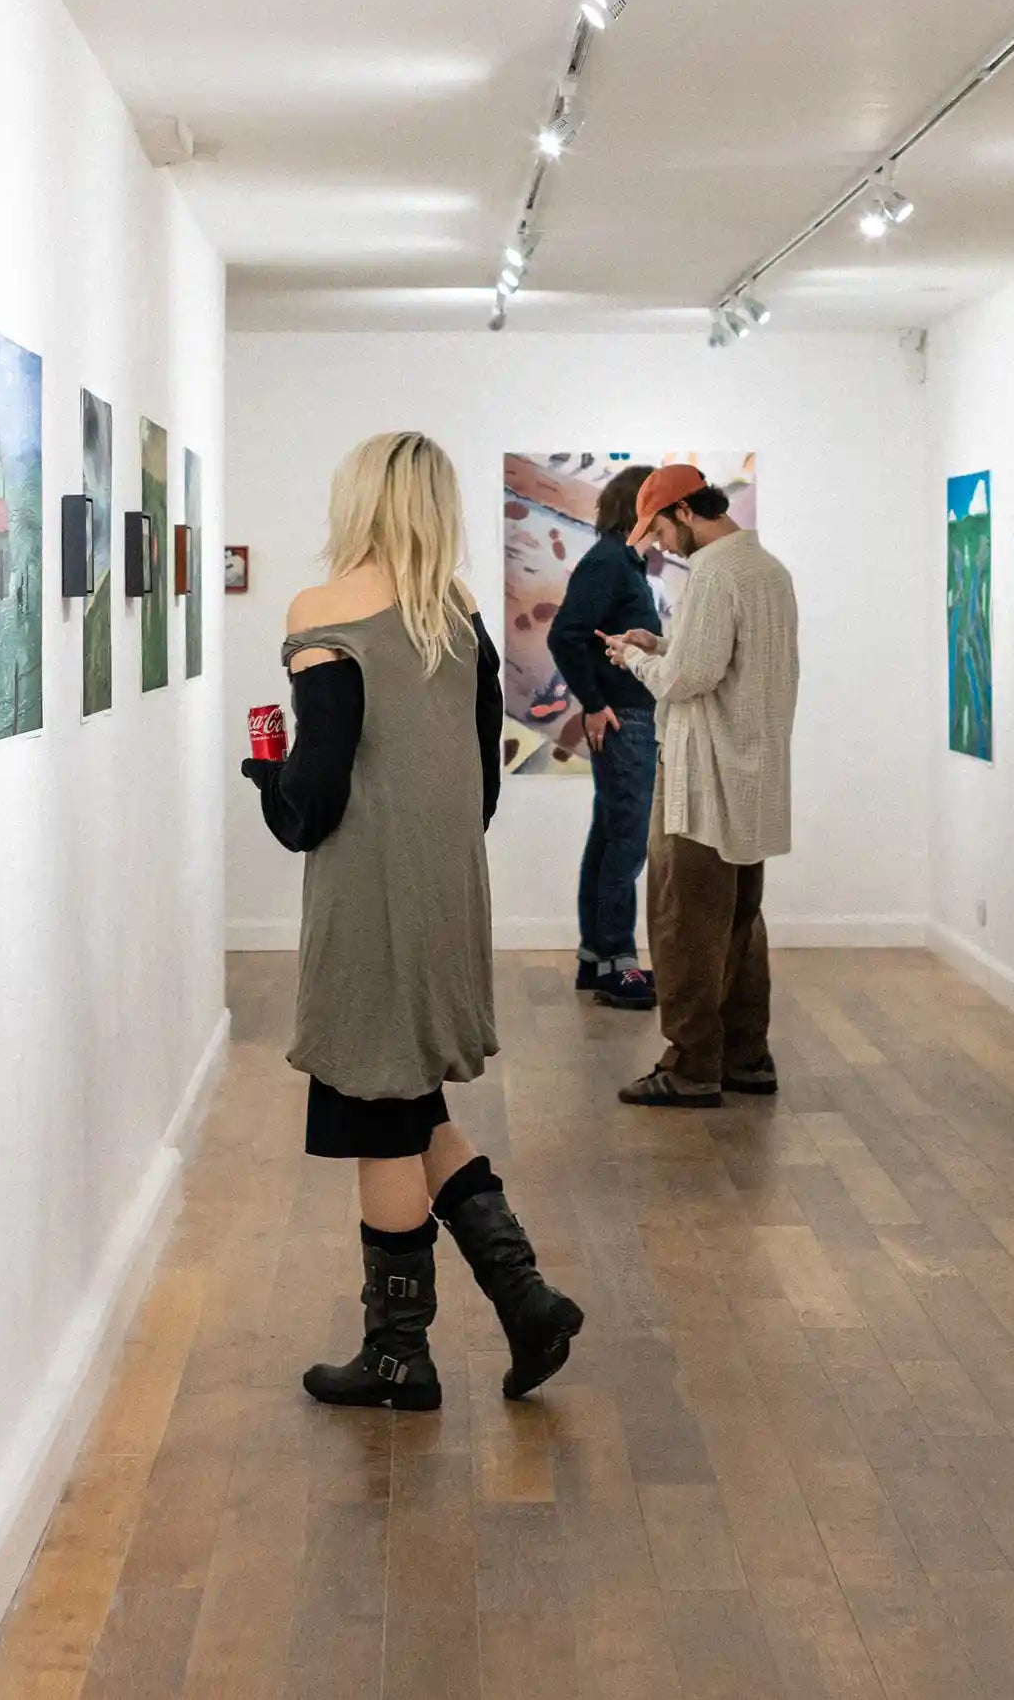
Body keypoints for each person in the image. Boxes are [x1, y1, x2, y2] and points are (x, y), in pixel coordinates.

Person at [243, 430, 584, 1410]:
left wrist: (268, 778)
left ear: (359, 498)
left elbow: (314, 799)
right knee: (410, 1104)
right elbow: (483, 781)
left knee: (379, 1124)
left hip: (370, 899)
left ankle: (399, 1357)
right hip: (445, 890)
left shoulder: (323, 611)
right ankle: (527, 1302)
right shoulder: (460, 610)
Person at [603, 466, 800, 1109]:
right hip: (753, 776)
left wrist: (634, 657)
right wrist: (661, 642)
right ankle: (747, 1056)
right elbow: (719, 662)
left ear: (685, 512)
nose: (658, 543)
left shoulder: (713, 573)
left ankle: (690, 1067)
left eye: (659, 528)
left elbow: (686, 680)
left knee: (684, 923)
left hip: (703, 777)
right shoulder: (768, 570)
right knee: (740, 921)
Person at [545, 462, 660, 1011]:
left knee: (611, 835)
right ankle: (618, 961)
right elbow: (565, 635)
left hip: (630, 717)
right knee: (627, 840)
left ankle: (597, 957)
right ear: (643, 508)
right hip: (625, 719)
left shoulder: (623, 563)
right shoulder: (610, 562)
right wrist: (594, 703)